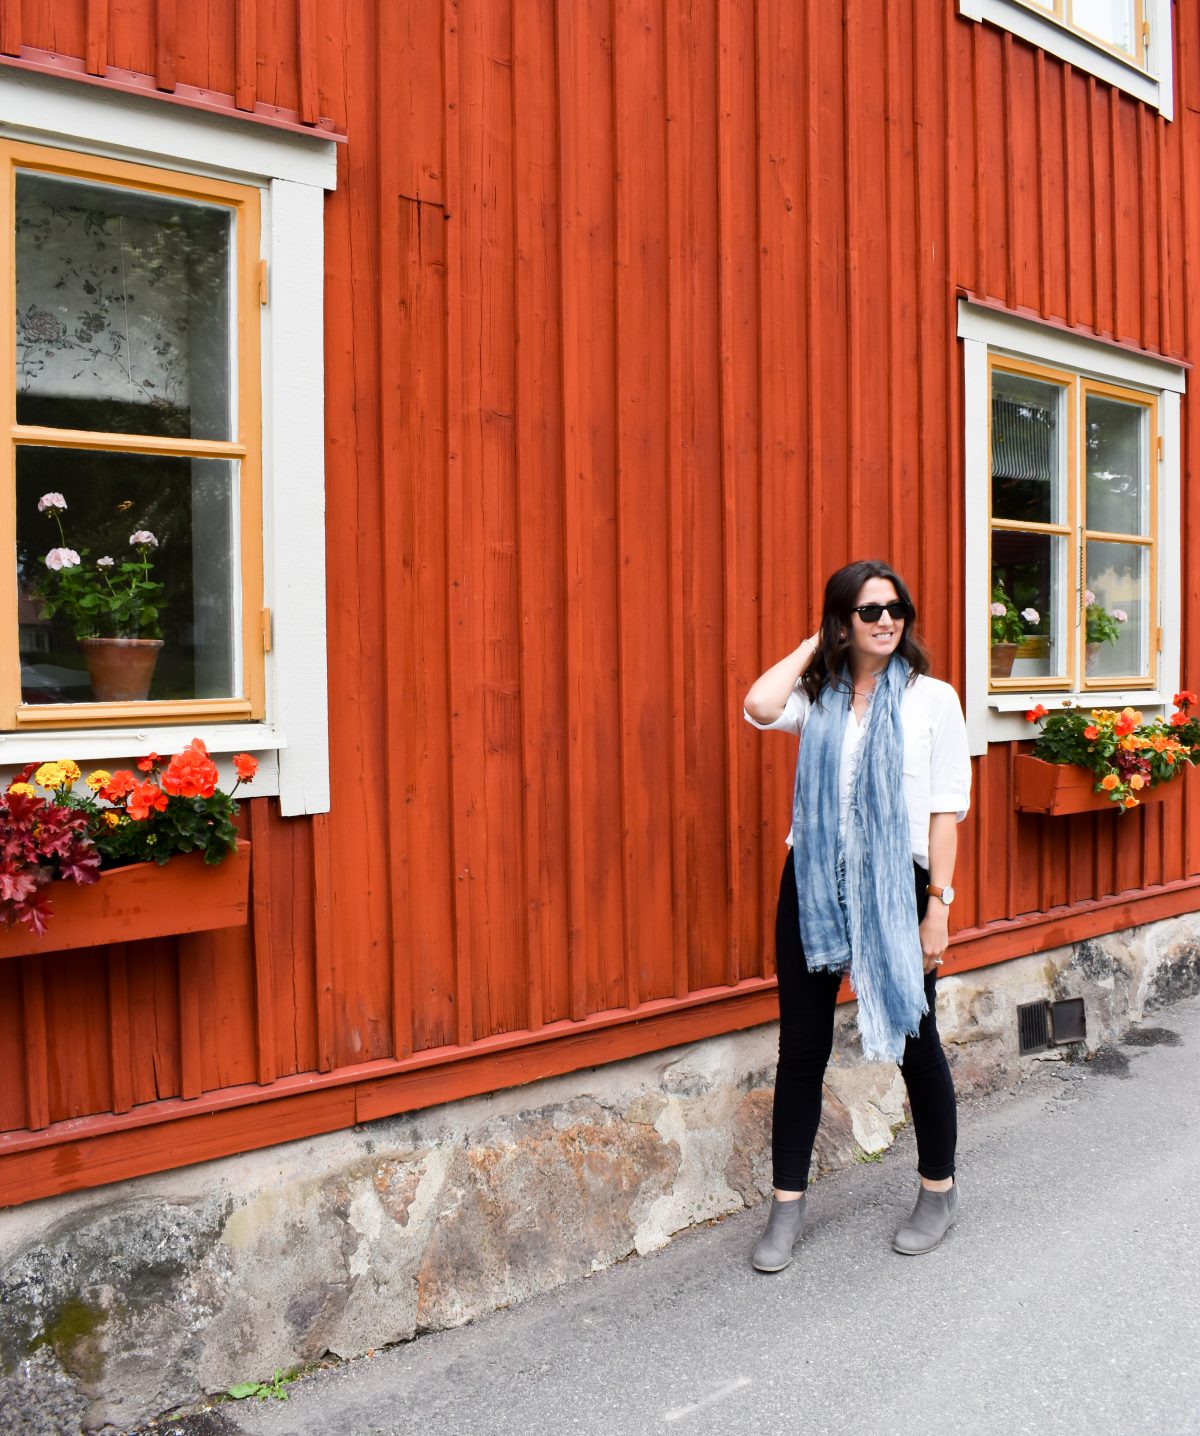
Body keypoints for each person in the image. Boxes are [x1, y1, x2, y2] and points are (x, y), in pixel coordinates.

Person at [743, 558, 971, 1271]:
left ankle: (938, 1190)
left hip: (898, 886)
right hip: (812, 881)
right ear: (844, 621)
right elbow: (757, 703)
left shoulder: (933, 699)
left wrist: (937, 910)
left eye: (895, 607)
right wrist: (816, 646)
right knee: (802, 1049)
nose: (885, 620)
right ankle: (786, 1208)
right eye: (868, 610)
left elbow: (944, 815)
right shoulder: (820, 698)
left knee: (915, 1041)